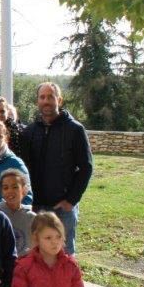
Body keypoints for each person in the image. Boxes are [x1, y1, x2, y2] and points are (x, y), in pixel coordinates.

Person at [20, 82, 93, 255]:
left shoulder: (74, 130)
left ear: (59, 100)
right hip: (35, 207)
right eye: (42, 97)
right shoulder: (29, 132)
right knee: (36, 255)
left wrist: (71, 200)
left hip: (63, 208)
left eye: (50, 97)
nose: (46, 101)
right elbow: (24, 168)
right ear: (37, 101)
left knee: (64, 256)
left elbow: (86, 167)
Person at [0, 169, 37, 256]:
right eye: (5, 188)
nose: (10, 191)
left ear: (24, 190)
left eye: (15, 187)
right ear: (1, 191)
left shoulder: (32, 218)